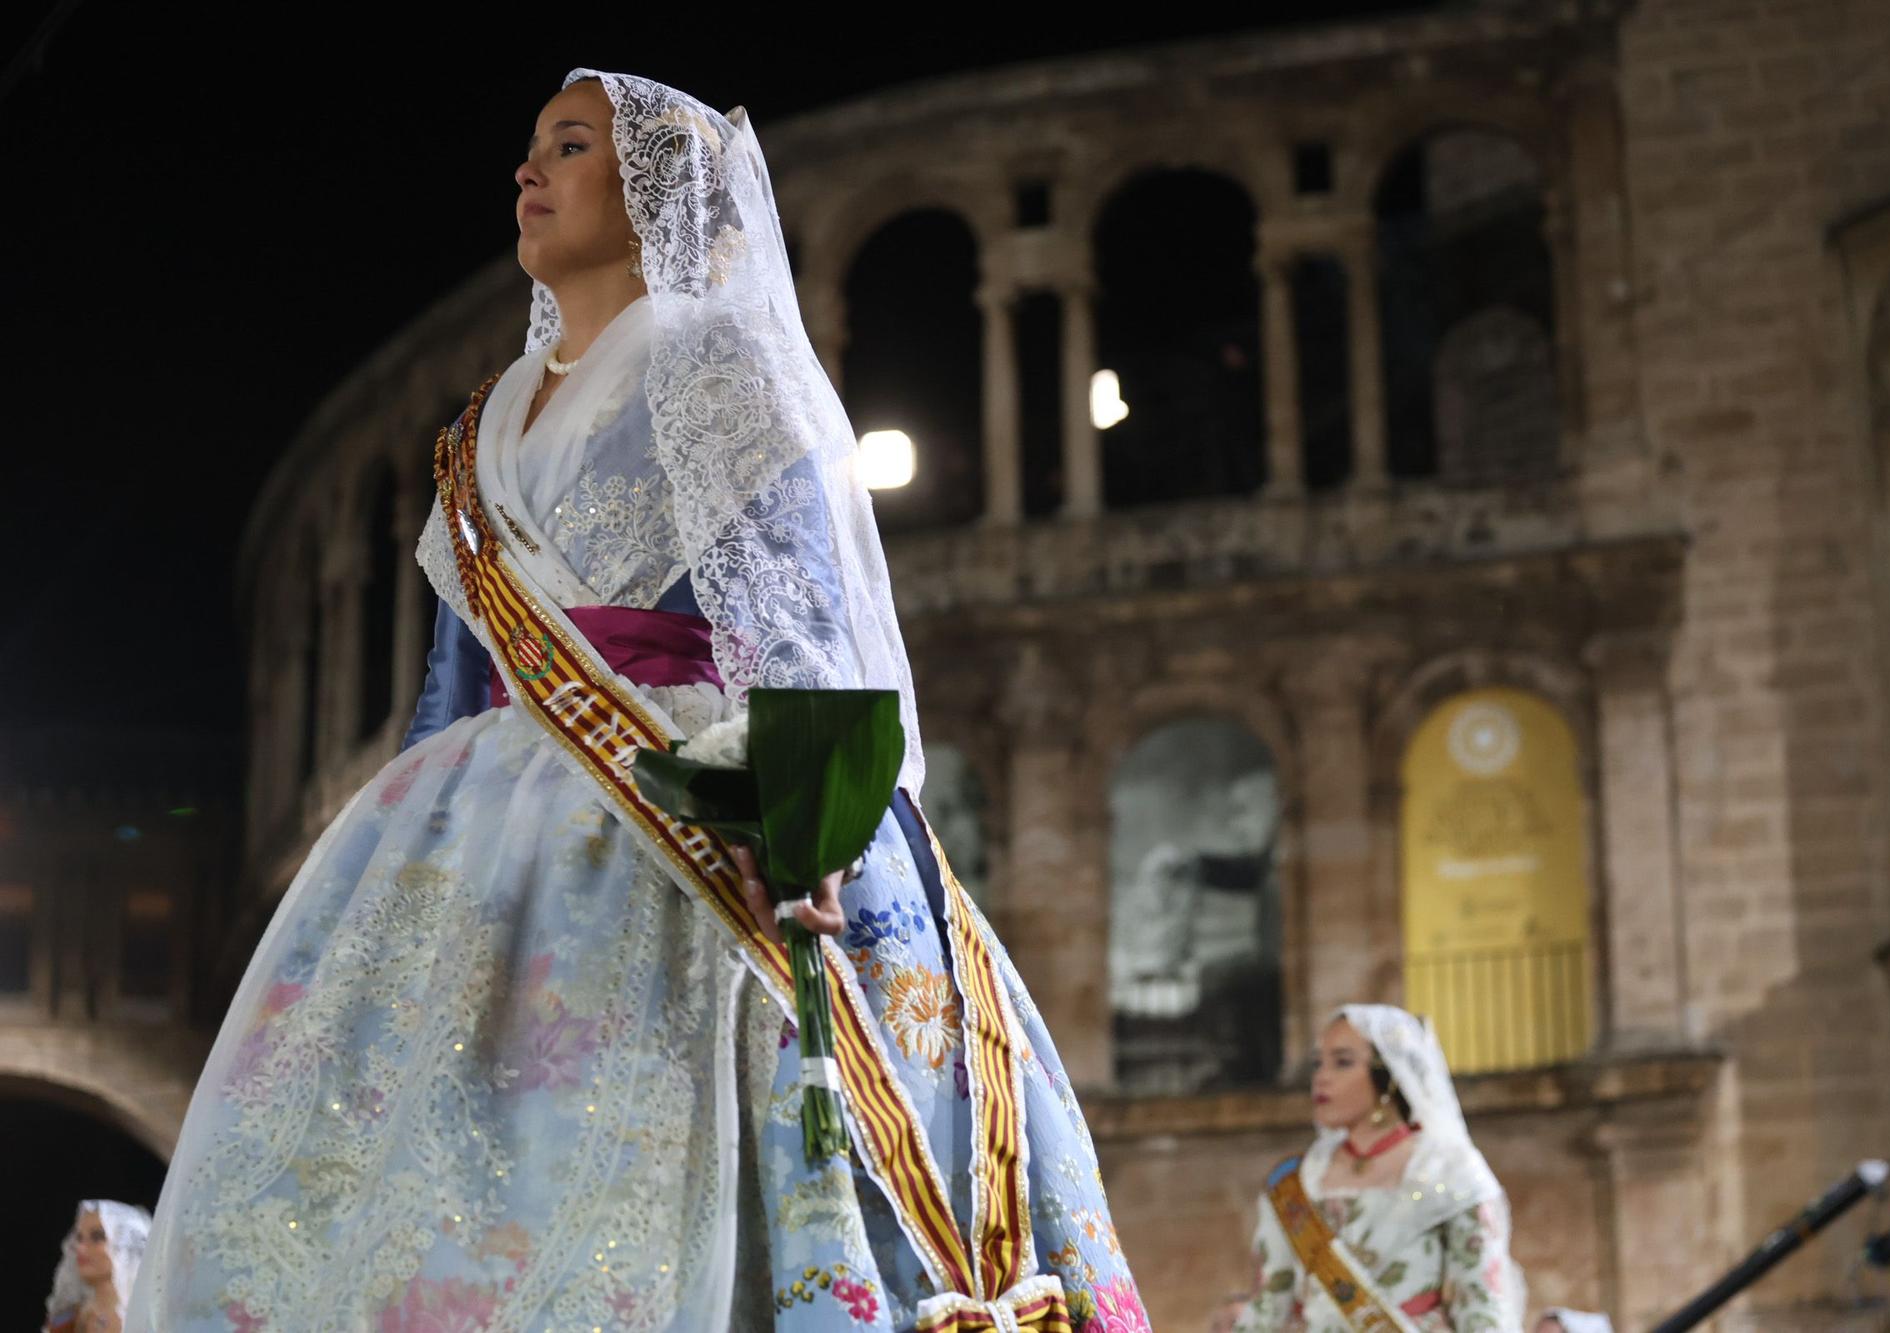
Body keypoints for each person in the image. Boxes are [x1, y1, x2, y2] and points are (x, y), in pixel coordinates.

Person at [128, 70, 1147, 1333]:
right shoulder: (479, 427)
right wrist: (410, 854)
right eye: (530, 148)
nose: (528, 170)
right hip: (487, 825)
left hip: (683, 791)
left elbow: (798, 610)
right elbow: (456, 677)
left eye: (570, 145)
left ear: (656, 185)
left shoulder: (716, 366)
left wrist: (805, 812)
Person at [1231, 1005, 1525, 1332]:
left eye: (1342, 1062)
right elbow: (1267, 1306)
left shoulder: (1449, 1171)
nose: (1321, 1077)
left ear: (1387, 1076)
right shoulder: (1298, 1182)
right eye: (1318, 1063)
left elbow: (1482, 1305)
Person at [42, 1200, 151, 1333]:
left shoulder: (148, 1318)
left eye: (97, 1237)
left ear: (125, 1246)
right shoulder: (65, 1319)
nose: (80, 1247)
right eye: (79, 1237)